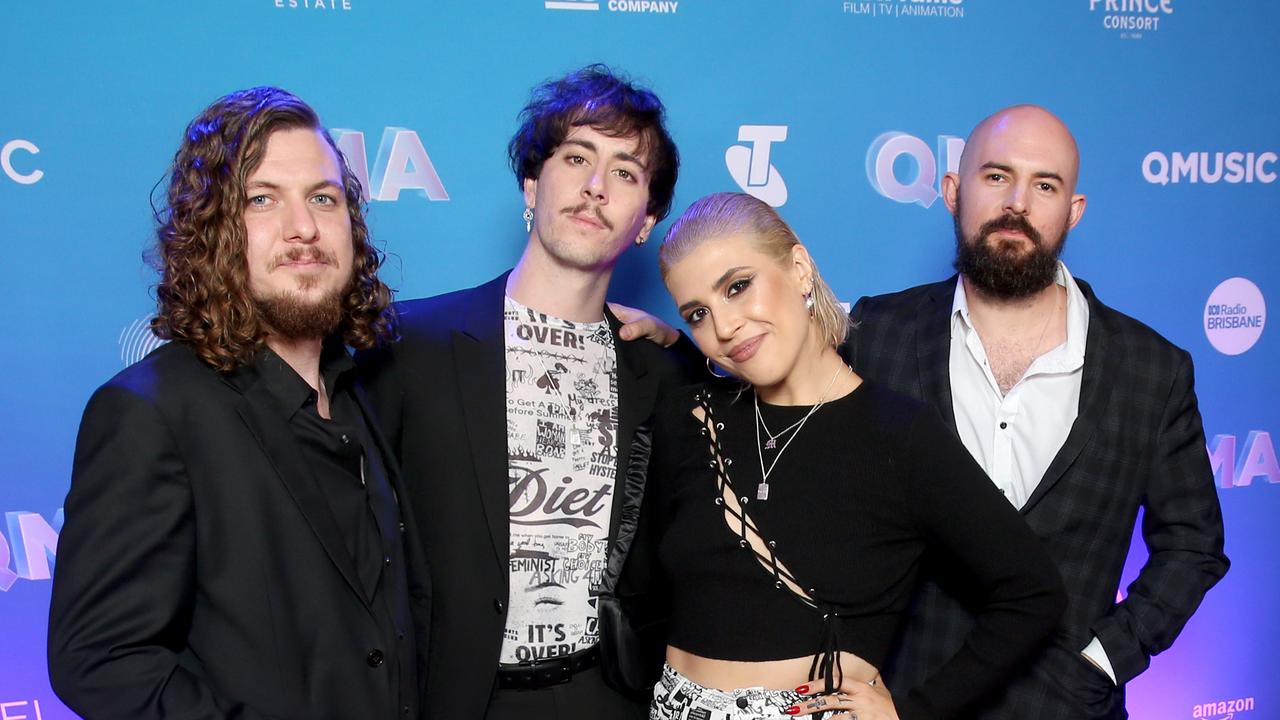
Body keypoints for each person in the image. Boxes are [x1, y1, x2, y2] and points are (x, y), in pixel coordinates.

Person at [47, 87, 431, 719]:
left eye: (323, 198)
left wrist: (627, 333)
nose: (303, 227)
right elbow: (102, 658)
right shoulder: (151, 412)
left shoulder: (368, 394)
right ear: (213, 230)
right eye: (262, 199)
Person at [847, 105, 1229, 719]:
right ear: (952, 191)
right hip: (903, 701)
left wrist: (1105, 659)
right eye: (996, 176)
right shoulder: (875, 334)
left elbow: (1194, 545)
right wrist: (670, 351)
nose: (1018, 202)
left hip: (1064, 705)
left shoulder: (1152, 369)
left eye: (1044, 185)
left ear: (1072, 210)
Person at [357, 64, 697, 720]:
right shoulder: (408, 347)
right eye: (576, 158)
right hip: (450, 701)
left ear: (646, 221)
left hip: (608, 699)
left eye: (625, 172)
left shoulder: (665, 373)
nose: (596, 187)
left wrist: (685, 348)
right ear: (532, 185)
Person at [646, 191, 1066, 720]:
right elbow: (648, 596)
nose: (724, 326)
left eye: (738, 286)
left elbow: (1033, 592)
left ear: (798, 269)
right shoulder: (687, 419)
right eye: (698, 313)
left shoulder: (898, 434)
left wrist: (914, 712)